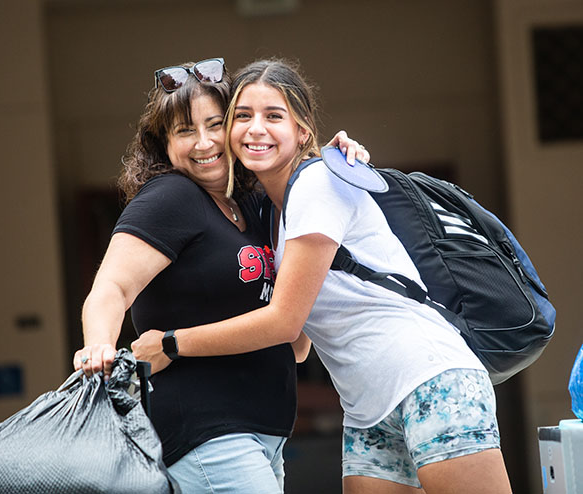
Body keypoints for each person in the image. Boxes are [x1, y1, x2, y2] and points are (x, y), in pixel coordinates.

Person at [132, 59, 514, 494]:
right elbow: (299, 347)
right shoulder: (272, 217)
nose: (256, 128)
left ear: (303, 131)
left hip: (428, 376)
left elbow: (285, 323)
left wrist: (171, 343)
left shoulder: (317, 184)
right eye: (243, 116)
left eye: (274, 116)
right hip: (366, 407)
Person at [73, 57, 368, 494]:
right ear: (163, 143)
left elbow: (296, 342)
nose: (204, 142)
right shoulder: (171, 197)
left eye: (215, 124)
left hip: (264, 432)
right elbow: (111, 288)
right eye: (185, 131)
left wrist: (335, 157)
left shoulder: (250, 204)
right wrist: (97, 346)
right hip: (206, 433)